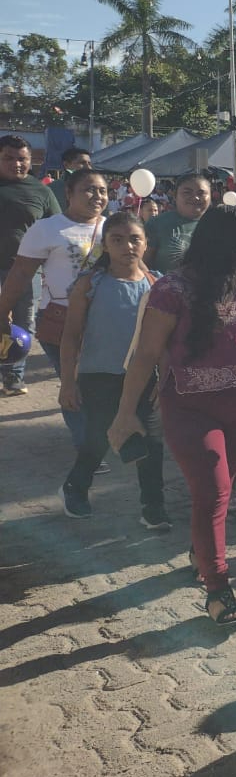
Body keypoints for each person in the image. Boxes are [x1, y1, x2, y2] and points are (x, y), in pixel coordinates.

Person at [109, 205, 236, 627]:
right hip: (189, 408)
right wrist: (125, 413)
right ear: (219, 244)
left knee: (220, 489)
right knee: (214, 492)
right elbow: (145, 355)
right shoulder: (172, 290)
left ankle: (201, 551)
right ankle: (218, 591)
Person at [55, 212, 168, 525]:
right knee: (101, 438)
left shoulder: (155, 284)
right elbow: (71, 336)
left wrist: (165, 375)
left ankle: (153, 508)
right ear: (105, 245)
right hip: (98, 376)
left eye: (135, 239)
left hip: (144, 377)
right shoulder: (90, 284)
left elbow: (166, 339)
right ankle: (75, 487)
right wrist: (67, 381)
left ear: (146, 244)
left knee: (152, 443)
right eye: (117, 239)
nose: (127, 246)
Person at [0, 168, 108, 446]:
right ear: (68, 194)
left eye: (102, 190)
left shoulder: (113, 228)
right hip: (61, 319)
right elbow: (21, 274)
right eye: (89, 189)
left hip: (107, 319)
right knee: (75, 381)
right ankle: (88, 447)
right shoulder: (47, 229)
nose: (97, 195)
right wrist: (2, 311)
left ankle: (100, 436)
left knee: (102, 382)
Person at [0, 135, 59, 396]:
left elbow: (57, 229)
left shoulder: (42, 192)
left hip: (26, 272)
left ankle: (13, 375)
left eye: (22, 159)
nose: (16, 164)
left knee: (24, 325)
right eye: (9, 158)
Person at [144, 172, 212, 274]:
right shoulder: (156, 225)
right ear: (175, 196)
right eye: (187, 192)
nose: (195, 197)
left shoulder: (217, 226)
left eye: (201, 193)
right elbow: (142, 265)